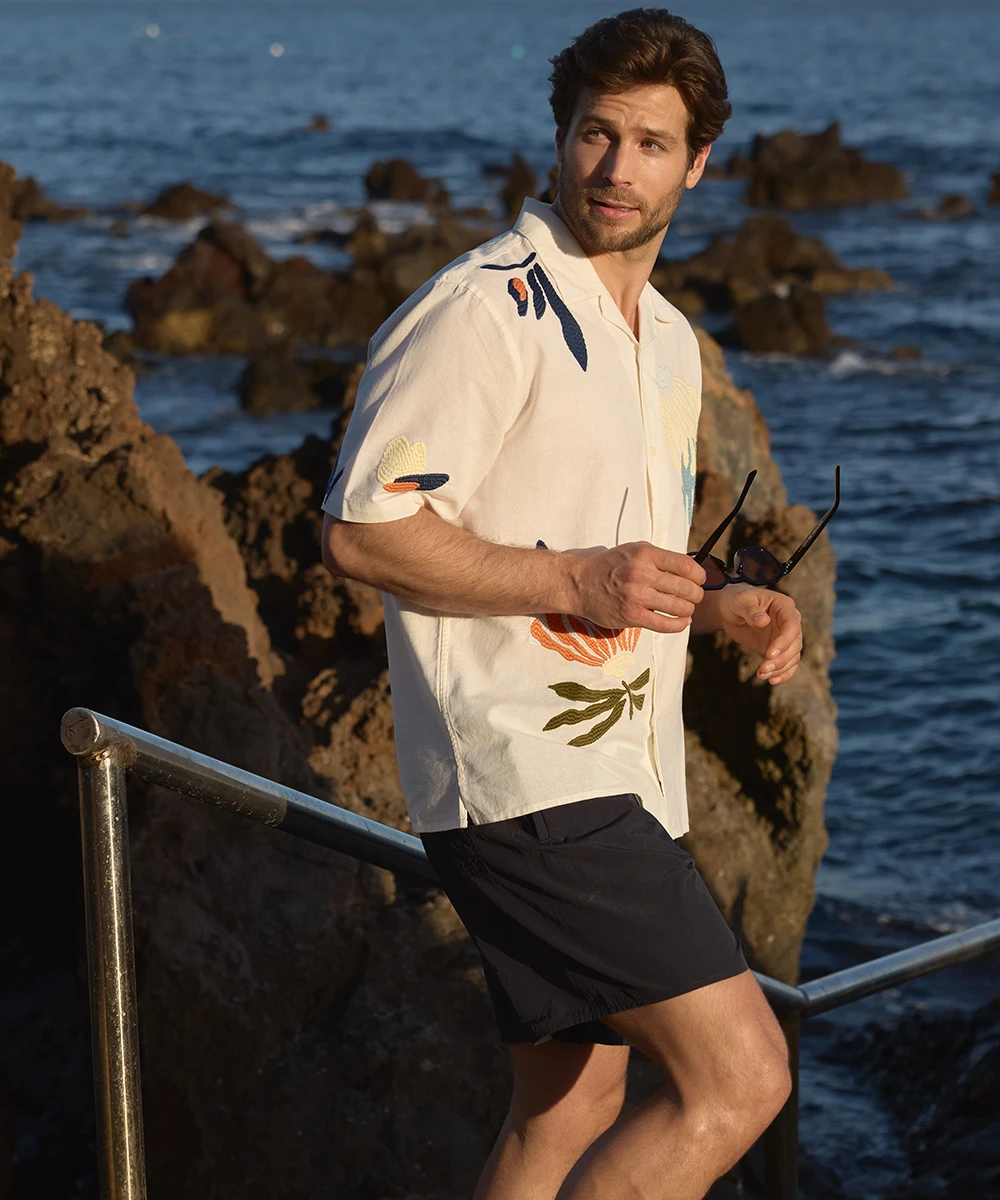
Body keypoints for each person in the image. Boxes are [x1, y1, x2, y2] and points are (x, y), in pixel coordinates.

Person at [321, 9, 803, 1198]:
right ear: (559, 135)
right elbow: (362, 530)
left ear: (697, 162)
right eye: (597, 133)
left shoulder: (668, 341)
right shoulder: (483, 310)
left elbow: (616, 558)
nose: (616, 169)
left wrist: (721, 608)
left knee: (569, 1110)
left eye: (651, 143)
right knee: (741, 1078)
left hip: (624, 776)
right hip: (525, 778)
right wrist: (574, 580)